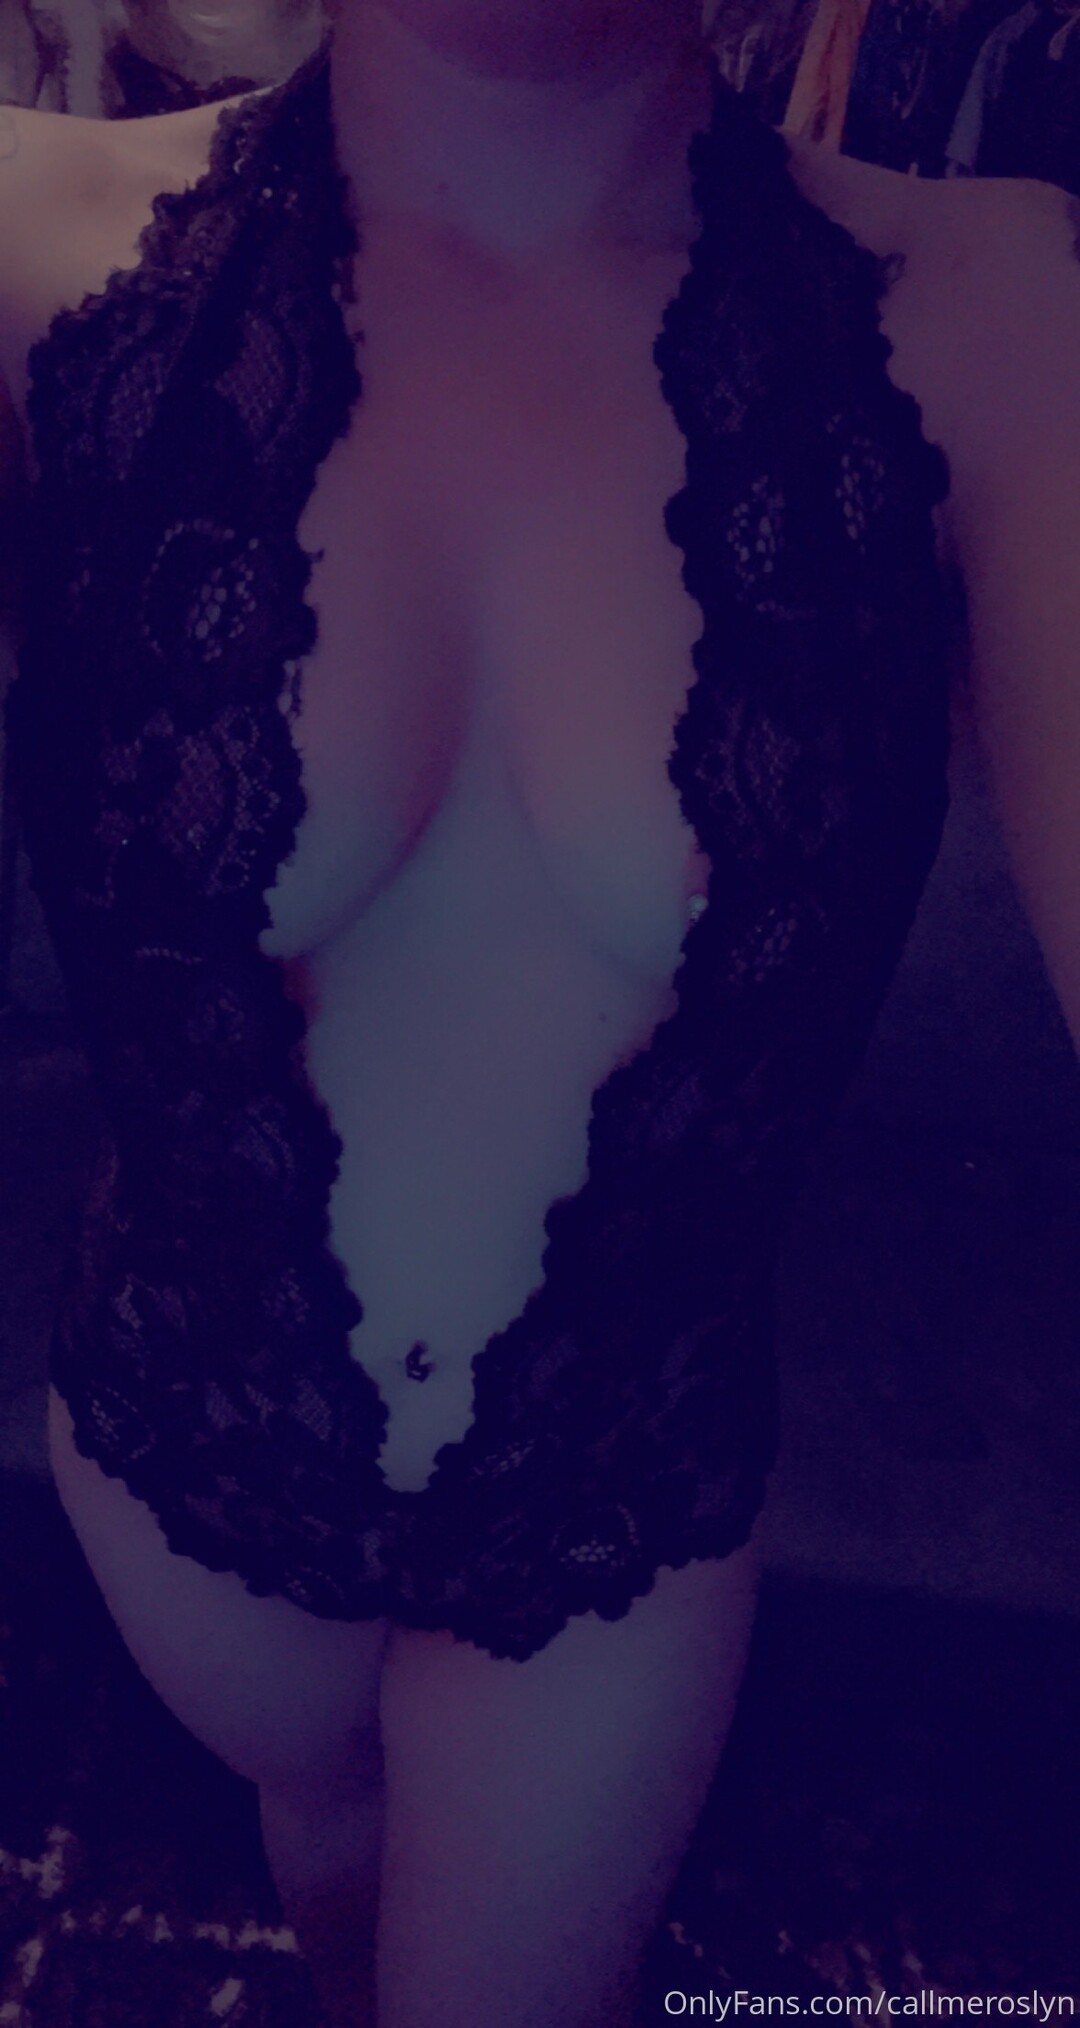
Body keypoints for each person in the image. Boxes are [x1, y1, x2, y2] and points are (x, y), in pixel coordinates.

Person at [0, 2, 1077, 2024]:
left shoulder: (993, 312)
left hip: (597, 1546)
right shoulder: (28, 236)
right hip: (186, 1471)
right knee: (332, 1882)